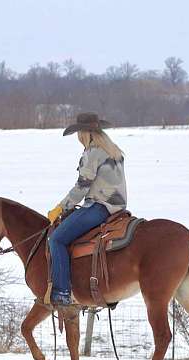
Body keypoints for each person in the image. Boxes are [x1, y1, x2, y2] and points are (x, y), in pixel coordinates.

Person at [47, 113, 127, 305]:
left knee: (57, 239)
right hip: (117, 207)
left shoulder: (93, 152)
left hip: (99, 207)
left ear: (85, 133)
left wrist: (60, 208)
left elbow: (81, 187)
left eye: (78, 133)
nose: (78, 137)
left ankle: (62, 292)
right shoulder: (113, 150)